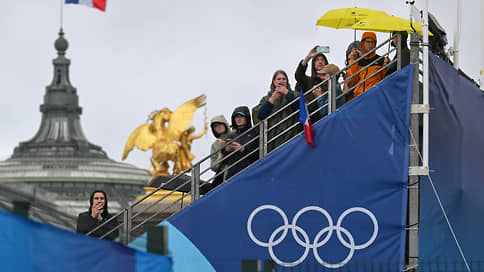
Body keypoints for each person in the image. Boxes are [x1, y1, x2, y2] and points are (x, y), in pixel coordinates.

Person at [252, 70, 300, 152]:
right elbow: (260, 115)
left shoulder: (295, 94)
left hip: (291, 135)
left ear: (287, 81)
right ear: (274, 82)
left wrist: (287, 93)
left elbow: (301, 108)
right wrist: (272, 99)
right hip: (273, 140)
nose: (281, 81)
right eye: (279, 79)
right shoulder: (266, 98)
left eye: (284, 79)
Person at [346, 32, 389, 99]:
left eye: (372, 42)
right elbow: (353, 80)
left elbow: (384, 78)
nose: (370, 45)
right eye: (368, 42)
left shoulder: (381, 60)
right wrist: (353, 60)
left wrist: (387, 65)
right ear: (362, 43)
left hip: (374, 95)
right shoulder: (358, 61)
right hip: (359, 95)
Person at [221, 106, 258, 180]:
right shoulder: (231, 136)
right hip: (232, 175)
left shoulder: (255, 134)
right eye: (236, 117)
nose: (238, 119)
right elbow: (223, 160)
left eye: (241, 116)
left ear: (246, 117)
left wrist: (243, 149)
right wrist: (226, 150)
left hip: (249, 173)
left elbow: (259, 154)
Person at [295, 45, 329, 122]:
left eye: (322, 60)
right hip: (311, 120)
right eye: (317, 60)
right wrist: (308, 57)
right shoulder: (308, 81)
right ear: (313, 63)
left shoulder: (331, 81)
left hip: (326, 119)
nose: (320, 62)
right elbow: (298, 75)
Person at [209, 115, 230, 188]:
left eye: (220, 124)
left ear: (225, 124)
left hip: (236, 172)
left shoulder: (235, 136)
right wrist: (222, 152)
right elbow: (213, 166)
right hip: (222, 176)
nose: (218, 127)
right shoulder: (215, 145)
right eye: (215, 126)